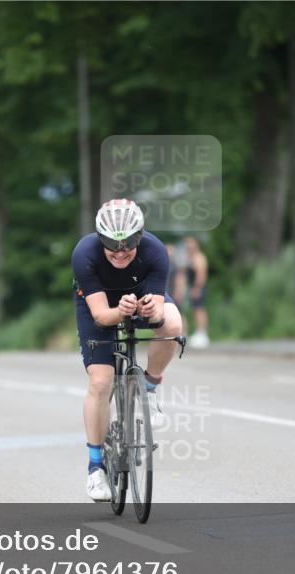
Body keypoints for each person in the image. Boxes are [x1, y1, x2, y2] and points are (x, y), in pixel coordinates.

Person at [72, 199, 183, 501]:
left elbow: (159, 316)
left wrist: (152, 311)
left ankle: (149, 386)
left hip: (142, 290)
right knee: (100, 382)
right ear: (100, 240)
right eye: (112, 246)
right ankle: (96, 468)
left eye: (128, 246)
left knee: (173, 325)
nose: (120, 253)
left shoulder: (155, 250)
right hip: (99, 302)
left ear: (140, 238)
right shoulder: (84, 253)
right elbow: (100, 316)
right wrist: (120, 312)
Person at [183, 236, 209, 348]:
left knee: (199, 309)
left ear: (196, 244)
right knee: (194, 309)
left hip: (198, 287)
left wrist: (197, 288)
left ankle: (202, 333)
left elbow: (201, 275)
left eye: (191, 243)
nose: (189, 246)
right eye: (187, 243)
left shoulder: (199, 257)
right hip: (191, 287)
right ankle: (196, 332)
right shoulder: (190, 258)